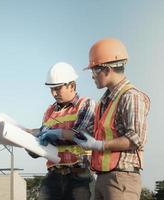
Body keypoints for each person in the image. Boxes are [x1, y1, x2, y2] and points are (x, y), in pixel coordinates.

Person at [72, 38, 150, 200]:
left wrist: (98, 145)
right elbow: (101, 133)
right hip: (103, 177)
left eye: (94, 70)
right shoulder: (105, 101)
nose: (92, 76)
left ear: (107, 70)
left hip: (121, 179)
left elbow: (136, 138)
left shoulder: (131, 96)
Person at [26, 62, 95, 200]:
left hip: (78, 176)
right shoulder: (49, 111)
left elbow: (80, 135)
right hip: (53, 176)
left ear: (72, 85)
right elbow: (42, 147)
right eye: (51, 89)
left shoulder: (85, 104)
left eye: (57, 88)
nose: (54, 93)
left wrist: (54, 134)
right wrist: (27, 142)